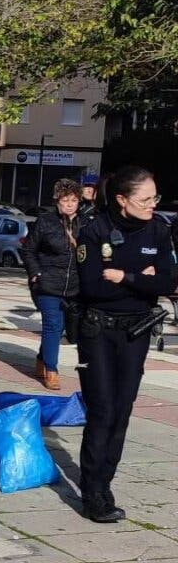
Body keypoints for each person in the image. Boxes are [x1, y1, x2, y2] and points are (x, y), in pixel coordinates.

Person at [74, 165, 175, 523]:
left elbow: (168, 281)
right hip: (99, 331)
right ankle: (92, 494)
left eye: (154, 197)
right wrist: (143, 279)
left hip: (137, 331)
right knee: (101, 410)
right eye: (145, 199)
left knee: (122, 411)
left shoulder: (159, 229)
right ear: (122, 200)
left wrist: (125, 275)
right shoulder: (95, 229)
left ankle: (105, 482)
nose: (152, 204)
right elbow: (93, 288)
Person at [22, 179, 83, 391]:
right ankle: (51, 370)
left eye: (74, 200)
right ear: (57, 201)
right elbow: (28, 250)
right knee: (53, 325)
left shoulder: (85, 223)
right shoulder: (45, 221)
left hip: (74, 287)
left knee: (62, 328)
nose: (69, 204)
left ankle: (41, 358)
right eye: (65, 200)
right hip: (47, 284)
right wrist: (35, 273)